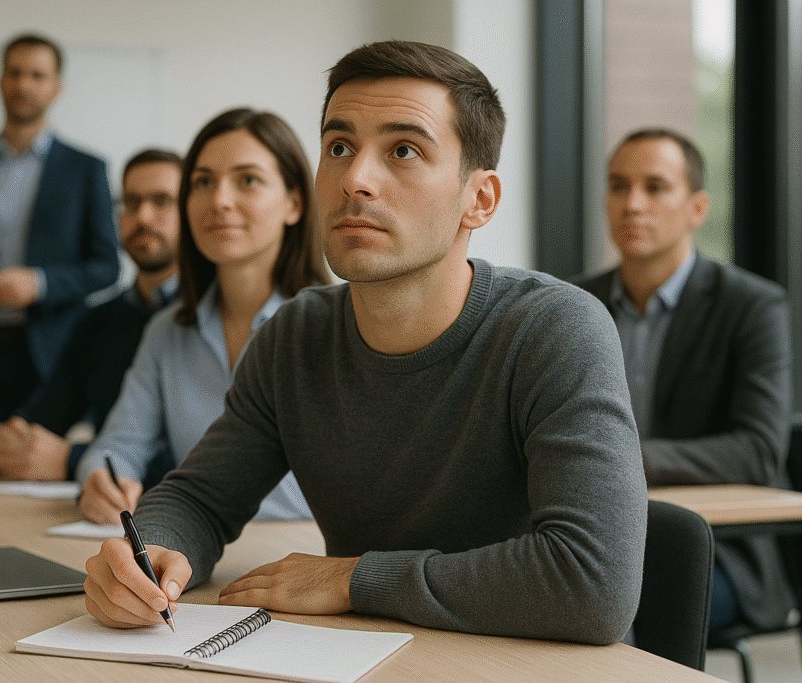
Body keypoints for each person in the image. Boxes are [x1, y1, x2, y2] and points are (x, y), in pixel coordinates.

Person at [83, 41, 646, 645]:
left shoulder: (556, 329)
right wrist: (147, 556)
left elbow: (594, 586)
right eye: (339, 147)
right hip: (359, 657)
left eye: (403, 150)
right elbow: (200, 497)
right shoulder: (295, 335)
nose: (355, 179)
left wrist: (355, 579)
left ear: (479, 199)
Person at [574, 127, 794, 636]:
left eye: (655, 187)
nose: (632, 204)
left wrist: (621, 457)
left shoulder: (751, 306)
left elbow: (759, 450)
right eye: (617, 185)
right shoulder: (574, 304)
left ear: (697, 208)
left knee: (614, 604)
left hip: (720, 553)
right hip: (595, 534)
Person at [76, 107, 329, 522]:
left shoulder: (341, 329)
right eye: (203, 182)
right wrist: (103, 481)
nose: (219, 201)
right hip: (196, 554)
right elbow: (117, 446)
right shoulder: (167, 331)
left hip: (307, 564)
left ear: (295, 204)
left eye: (248, 180)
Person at [0, 33, 119, 424]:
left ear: (56, 87)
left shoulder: (85, 169)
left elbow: (107, 266)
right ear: (0, 81)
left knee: (52, 477)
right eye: (14, 73)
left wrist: (41, 284)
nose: (24, 85)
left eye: (37, 75)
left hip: (54, 360)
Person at [0, 149, 183, 482]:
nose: (144, 217)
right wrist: (14, 442)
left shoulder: (211, 320)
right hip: (105, 511)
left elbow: (201, 464)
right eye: (131, 203)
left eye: (162, 201)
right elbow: (41, 421)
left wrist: (72, 459)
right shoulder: (100, 322)